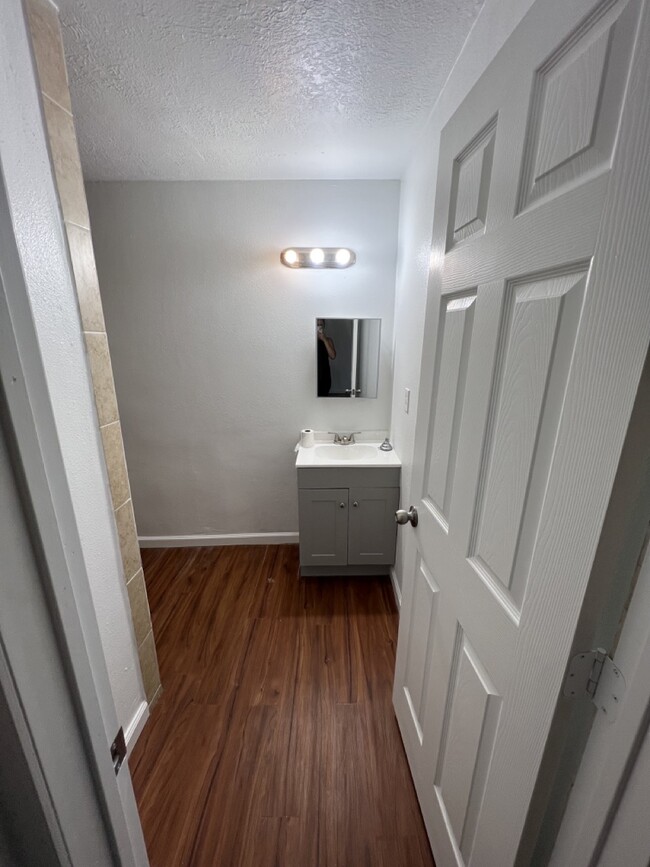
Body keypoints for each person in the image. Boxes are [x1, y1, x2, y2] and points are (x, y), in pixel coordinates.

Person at [316, 319, 336, 396]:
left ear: (324, 326)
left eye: (321, 325)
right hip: (313, 375)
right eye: (317, 325)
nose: (319, 326)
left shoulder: (328, 340)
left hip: (325, 376)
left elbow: (333, 356)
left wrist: (324, 339)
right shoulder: (308, 340)